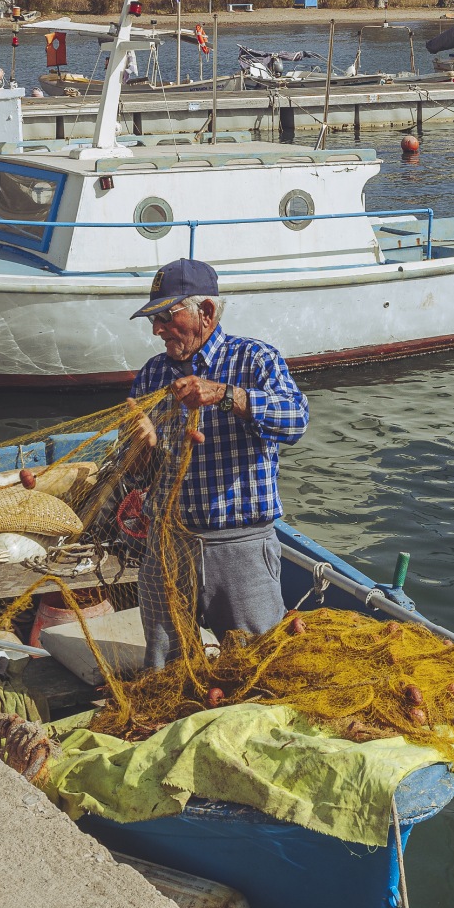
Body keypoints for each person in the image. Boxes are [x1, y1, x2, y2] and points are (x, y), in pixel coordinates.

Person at [126, 258, 309, 668]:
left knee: (256, 668)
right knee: (166, 671)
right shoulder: (152, 375)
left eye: (165, 317)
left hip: (240, 545)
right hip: (168, 547)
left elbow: (296, 420)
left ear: (205, 312)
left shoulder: (254, 359)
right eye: (152, 319)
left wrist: (225, 395)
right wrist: (141, 447)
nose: (156, 330)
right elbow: (139, 475)